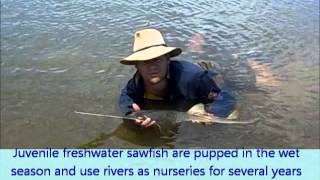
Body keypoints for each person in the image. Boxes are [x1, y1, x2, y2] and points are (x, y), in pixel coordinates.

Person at [119, 28, 235, 127]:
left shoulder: (195, 78)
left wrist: (211, 113)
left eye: (157, 59)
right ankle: (195, 44)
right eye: (145, 61)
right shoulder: (135, 84)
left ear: (168, 58)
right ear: (136, 65)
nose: (152, 66)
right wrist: (132, 117)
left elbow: (225, 98)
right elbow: (125, 99)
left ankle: (197, 41)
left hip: (208, 72)